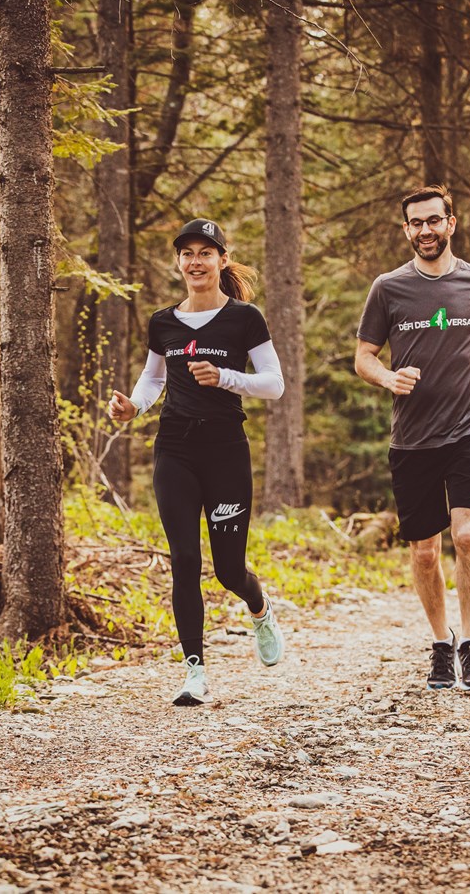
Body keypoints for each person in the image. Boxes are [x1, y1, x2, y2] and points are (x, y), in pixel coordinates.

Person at [354, 185, 470, 693]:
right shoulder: (388, 288)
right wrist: (386, 377)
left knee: (467, 535)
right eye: (416, 223)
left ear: (451, 223)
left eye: (434, 221)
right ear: (407, 230)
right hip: (412, 438)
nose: (425, 231)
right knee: (425, 553)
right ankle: (440, 645)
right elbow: (364, 356)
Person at [108, 218, 287, 706]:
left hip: (226, 450)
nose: (195, 261)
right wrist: (133, 407)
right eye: (186, 253)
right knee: (185, 560)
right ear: (178, 262)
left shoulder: (245, 318)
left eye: (205, 252)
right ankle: (194, 672)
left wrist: (227, 377)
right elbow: (152, 379)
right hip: (176, 448)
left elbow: (274, 383)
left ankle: (260, 608)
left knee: (229, 570)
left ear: (222, 260)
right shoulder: (163, 321)